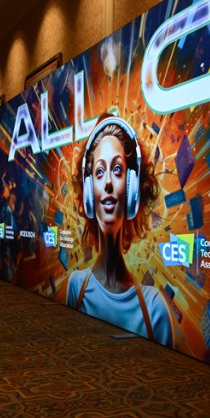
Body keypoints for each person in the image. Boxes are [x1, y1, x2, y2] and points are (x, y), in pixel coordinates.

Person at [65, 114, 171, 345]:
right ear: (88, 192)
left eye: (117, 170)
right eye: (99, 172)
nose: (109, 184)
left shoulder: (155, 310)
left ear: (132, 189)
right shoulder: (76, 285)